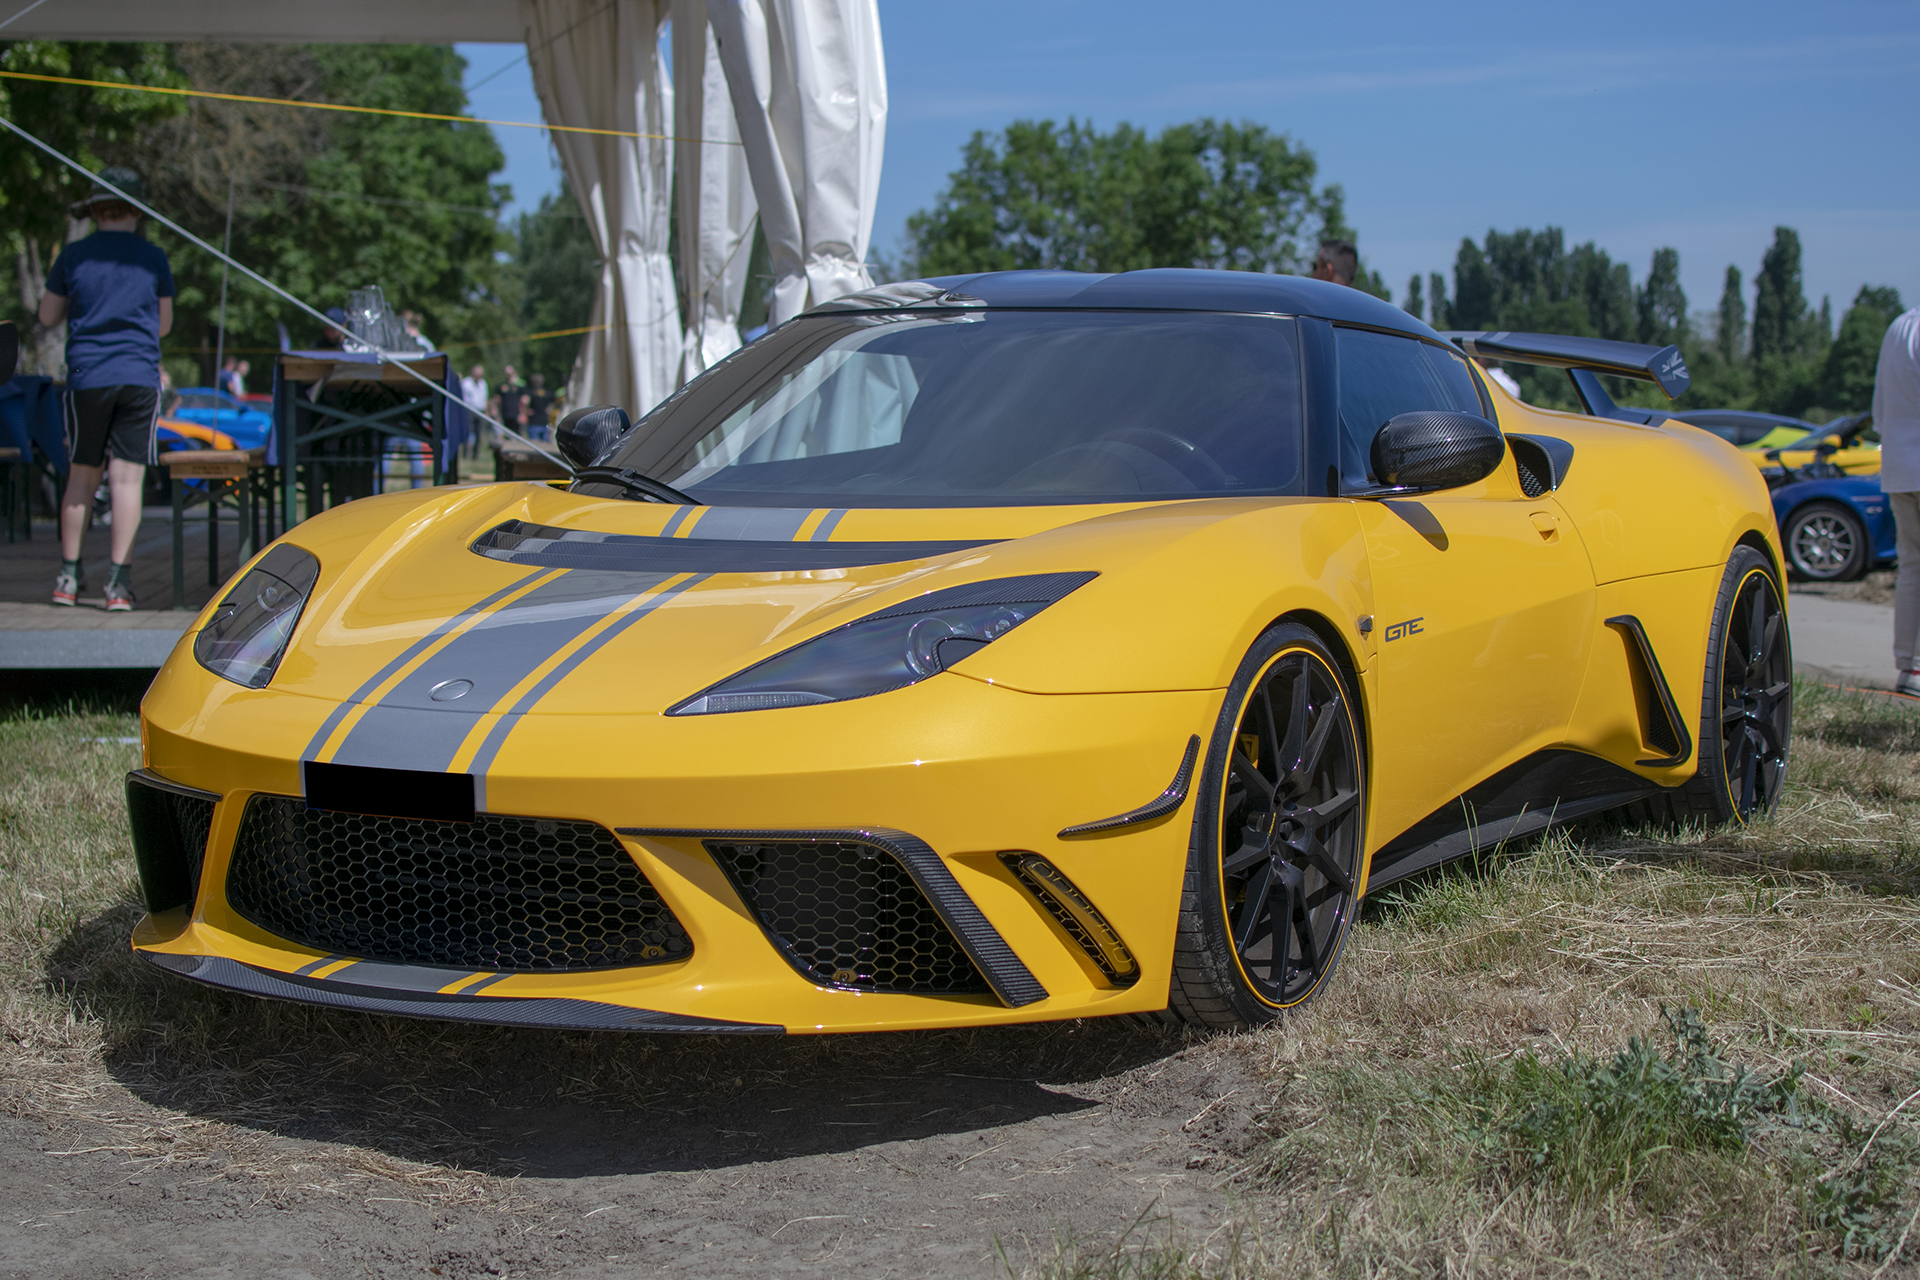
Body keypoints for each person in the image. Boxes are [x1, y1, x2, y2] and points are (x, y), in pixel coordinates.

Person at [41, 166, 174, 611]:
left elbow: (46, 316)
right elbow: (165, 325)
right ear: (138, 212)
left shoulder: (74, 255)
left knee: (82, 475)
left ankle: (68, 578)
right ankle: (117, 586)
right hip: (138, 376)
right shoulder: (152, 257)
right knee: (127, 480)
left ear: (95, 210)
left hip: (88, 377)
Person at [1875, 302, 1920, 696]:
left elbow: (1879, 410)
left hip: (1899, 466)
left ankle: (1909, 667)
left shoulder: (1898, 328)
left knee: (1911, 568)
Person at [491, 364, 526, 440]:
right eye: (506, 373)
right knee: (505, 437)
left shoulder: (520, 385)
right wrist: (496, 414)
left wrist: (522, 413)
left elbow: (524, 401)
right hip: (504, 415)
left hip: (516, 415)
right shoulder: (501, 386)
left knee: (517, 437)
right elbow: (497, 400)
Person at [525, 372, 553, 441]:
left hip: (534, 422)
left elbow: (525, 402)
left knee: (535, 445)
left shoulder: (530, 393)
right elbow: (554, 402)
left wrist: (526, 410)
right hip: (544, 422)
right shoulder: (547, 393)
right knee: (545, 444)